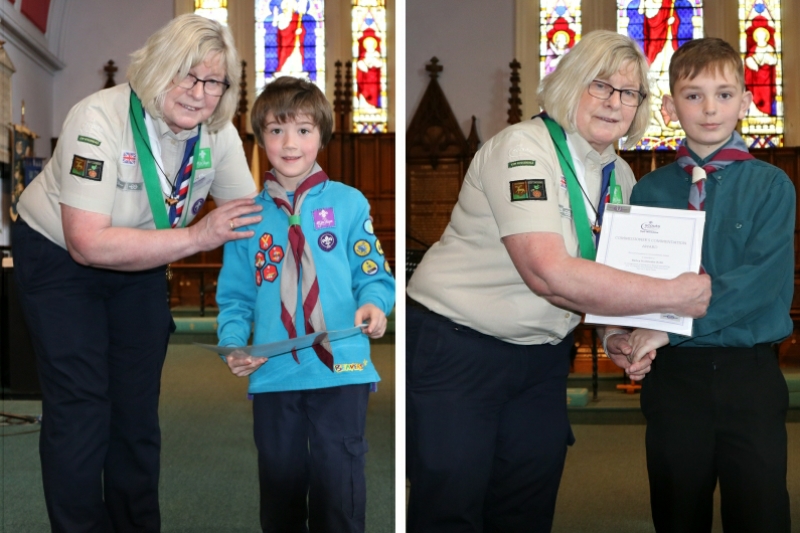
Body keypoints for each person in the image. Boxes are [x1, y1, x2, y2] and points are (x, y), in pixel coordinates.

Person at [406, 30, 712, 533]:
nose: (615, 103)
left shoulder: (621, 176)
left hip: (543, 358)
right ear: (570, 84)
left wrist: (614, 333)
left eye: (629, 93)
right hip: (458, 351)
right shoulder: (522, 151)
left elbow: (605, 276)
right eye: (601, 86)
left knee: (526, 505)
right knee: (451, 506)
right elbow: (548, 273)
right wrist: (675, 295)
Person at [11, 14, 262, 533]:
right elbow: (87, 243)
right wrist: (196, 236)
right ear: (156, 69)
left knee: (136, 407)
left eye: (214, 81)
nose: (199, 93)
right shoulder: (97, 119)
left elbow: (252, 219)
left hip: (143, 257)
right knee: (82, 405)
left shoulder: (218, 132)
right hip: (60, 256)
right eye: (186, 75)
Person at [608, 37, 794, 532]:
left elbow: (760, 282)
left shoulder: (773, 187)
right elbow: (632, 281)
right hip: (675, 381)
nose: (709, 108)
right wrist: (629, 333)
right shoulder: (649, 191)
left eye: (724, 94)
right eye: (693, 95)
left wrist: (671, 328)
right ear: (670, 107)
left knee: (759, 512)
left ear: (747, 102)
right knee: (676, 510)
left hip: (748, 376)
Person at [216, 76, 395, 533]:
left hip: (342, 364)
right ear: (260, 139)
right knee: (280, 483)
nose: (289, 142)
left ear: (322, 135)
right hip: (274, 369)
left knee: (340, 480)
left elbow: (372, 272)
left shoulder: (349, 203)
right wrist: (234, 342)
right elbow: (235, 295)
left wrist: (375, 305)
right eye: (276, 130)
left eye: (302, 129)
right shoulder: (246, 217)